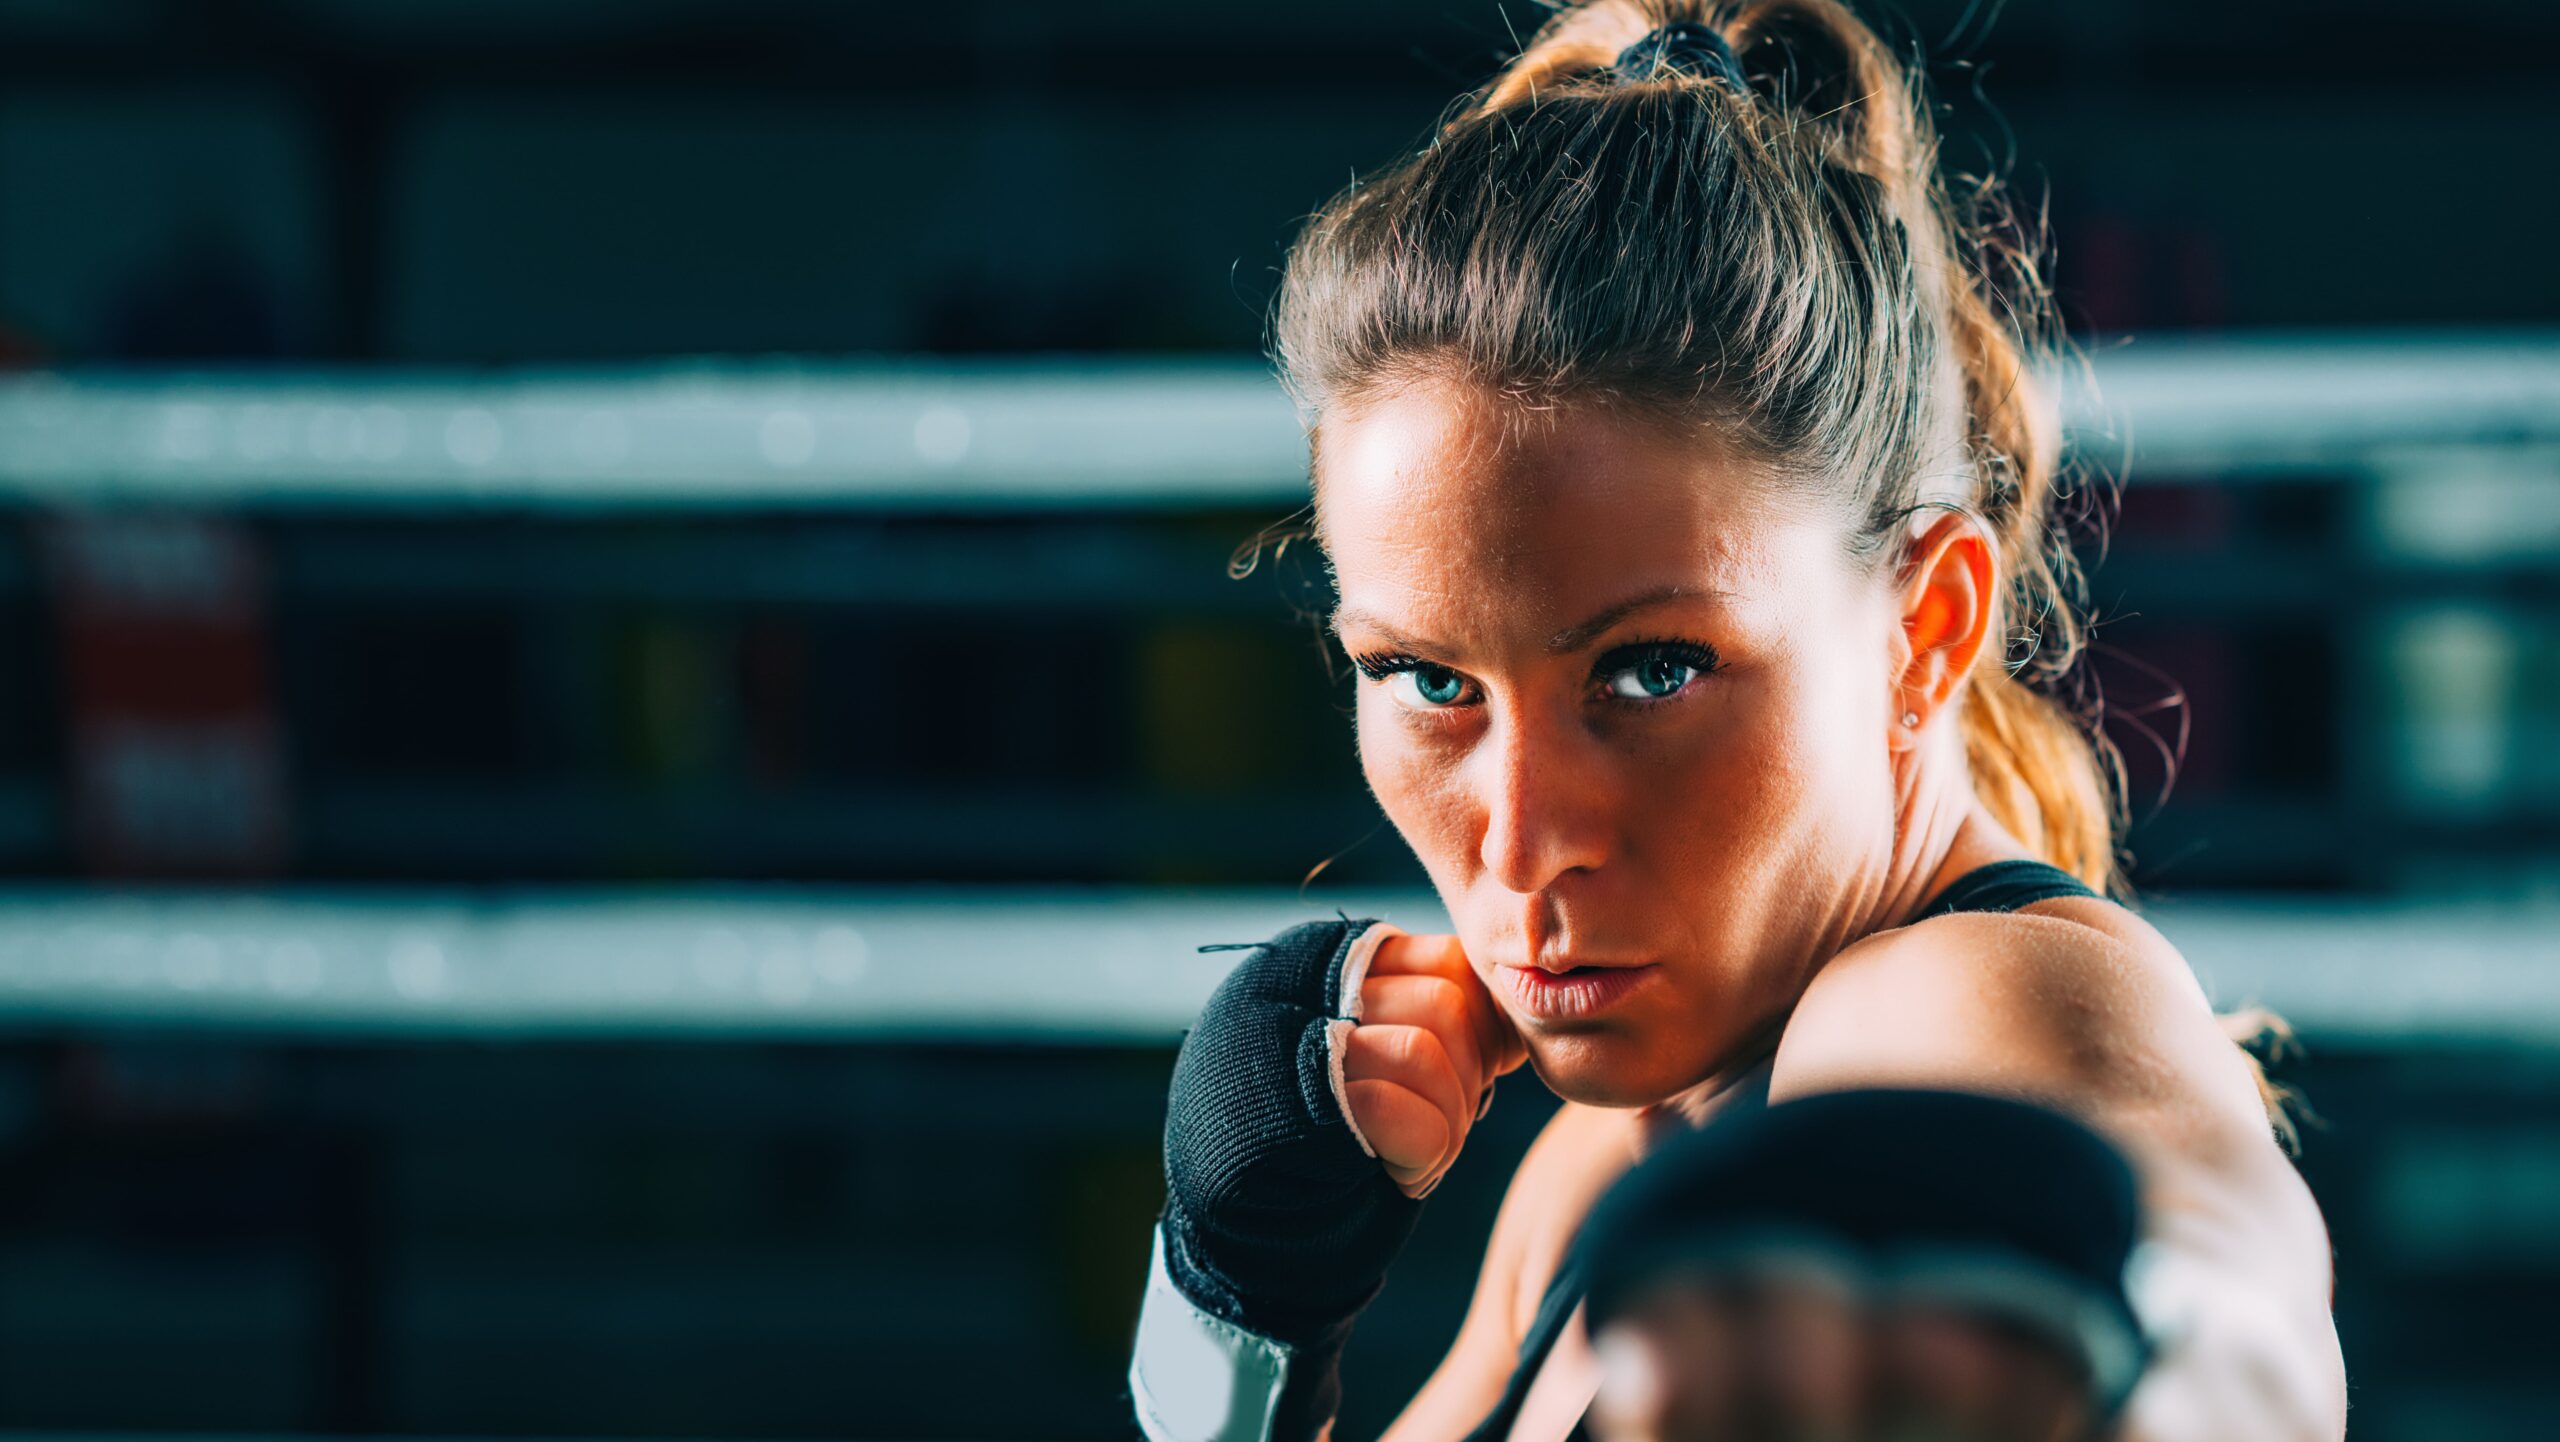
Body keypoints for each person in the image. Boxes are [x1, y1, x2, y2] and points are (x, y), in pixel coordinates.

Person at [1127, 2, 2347, 1439]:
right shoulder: (1597, 1173)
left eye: (1651, 670)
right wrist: (1236, 1314)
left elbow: (2218, 1306)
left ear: (1927, 624)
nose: (1525, 849)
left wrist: (2115, 1374)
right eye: (1429, 680)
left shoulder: (1951, 1005)